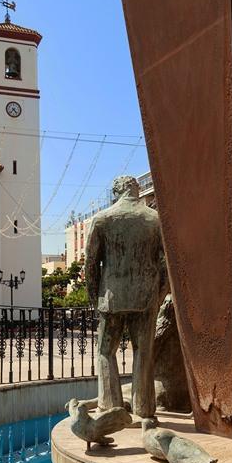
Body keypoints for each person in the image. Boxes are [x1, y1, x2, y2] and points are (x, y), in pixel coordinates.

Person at [85, 176, 166, 419]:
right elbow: (165, 263)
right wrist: (159, 294)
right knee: (144, 352)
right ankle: (144, 410)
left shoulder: (103, 219)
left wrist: (94, 296)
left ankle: (111, 410)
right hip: (145, 296)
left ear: (116, 192)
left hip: (111, 298)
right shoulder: (154, 220)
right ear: (137, 189)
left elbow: (91, 264)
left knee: (106, 351)